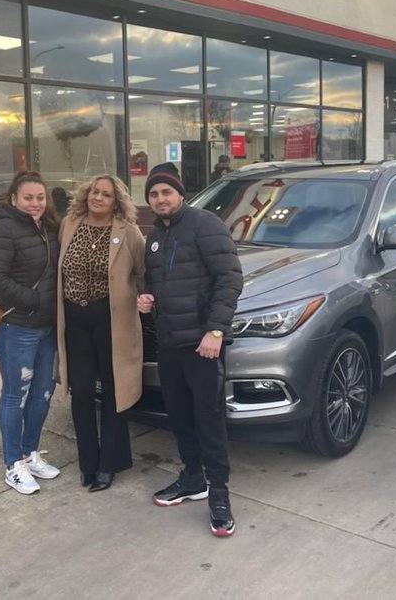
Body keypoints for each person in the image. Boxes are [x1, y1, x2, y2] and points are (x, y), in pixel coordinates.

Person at [138, 162, 243, 537]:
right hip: (169, 343)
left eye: (166, 192)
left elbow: (229, 278)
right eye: (153, 194)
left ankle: (219, 493)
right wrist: (146, 298)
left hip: (202, 345)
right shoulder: (155, 235)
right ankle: (193, 478)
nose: (160, 199)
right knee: (180, 417)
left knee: (208, 420)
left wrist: (215, 330)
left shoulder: (205, 224)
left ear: (180, 194)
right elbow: (154, 281)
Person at [56, 175, 145, 492]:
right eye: (94, 191)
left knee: (113, 390)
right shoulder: (70, 224)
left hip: (111, 320)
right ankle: (88, 463)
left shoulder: (128, 232)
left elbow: (142, 273)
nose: (97, 197)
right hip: (75, 319)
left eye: (105, 194)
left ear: (115, 201)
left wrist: (144, 300)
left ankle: (110, 462)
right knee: (80, 392)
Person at [0, 170, 61, 494]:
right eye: (28, 197)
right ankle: (13, 464)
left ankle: (30, 453)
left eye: (40, 197)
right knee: (16, 394)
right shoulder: (3, 228)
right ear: (14, 198)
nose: (35, 203)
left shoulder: (49, 227)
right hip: (17, 327)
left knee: (43, 392)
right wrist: (33, 300)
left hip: (48, 327)